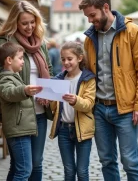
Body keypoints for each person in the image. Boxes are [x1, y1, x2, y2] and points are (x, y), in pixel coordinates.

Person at [78, 0, 138, 180]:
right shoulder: (90, 38)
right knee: (107, 161)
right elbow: (86, 72)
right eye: (87, 17)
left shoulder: (133, 32)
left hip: (126, 111)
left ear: (106, 8)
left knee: (130, 162)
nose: (90, 20)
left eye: (92, 15)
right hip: (99, 110)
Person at [0, 0, 53, 181]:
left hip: (40, 111)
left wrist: (50, 90)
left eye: (32, 22)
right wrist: (19, 88)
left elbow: (50, 71)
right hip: (18, 114)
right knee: (21, 166)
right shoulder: (5, 43)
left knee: (36, 163)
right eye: (24, 23)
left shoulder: (41, 44)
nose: (29, 26)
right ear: (15, 22)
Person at [0, 42, 43, 180]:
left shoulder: (15, 76)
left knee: (17, 167)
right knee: (24, 171)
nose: (23, 62)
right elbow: (9, 92)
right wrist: (24, 90)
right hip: (18, 131)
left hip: (19, 129)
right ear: (9, 60)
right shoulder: (5, 79)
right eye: (21, 58)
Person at [49, 41, 96, 181]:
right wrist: (49, 100)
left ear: (79, 58)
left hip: (82, 129)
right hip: (63, 129)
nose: (66, 62)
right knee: (69, 171)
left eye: (70, 59)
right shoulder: (58, 80)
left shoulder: (88, 79)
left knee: (82, 172)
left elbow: (89, 104)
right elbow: (53, 108)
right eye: (63, 59)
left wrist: (75, 100)